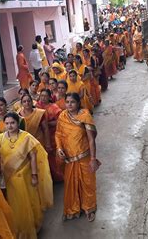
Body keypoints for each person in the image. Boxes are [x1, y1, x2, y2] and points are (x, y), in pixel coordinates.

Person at [0, 112, 53, 238]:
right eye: (7, 123)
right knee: (15, 205)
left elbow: (33, 156)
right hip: (9, 178)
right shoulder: (0, 138)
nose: (10, 126)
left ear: (18, 123)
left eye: (12, 123)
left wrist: (34, 175)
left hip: (25, 175)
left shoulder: (26, 137)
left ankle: (33, 225)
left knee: (29, 201)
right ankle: (20, 229)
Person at [56, 93, 100, 222]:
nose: (69, 105)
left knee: (87, 184)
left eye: (72, 102)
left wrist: (93, 158)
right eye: (67, 102)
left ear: (78, 103)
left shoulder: (84, 115)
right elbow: (58, 134)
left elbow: (91, 139)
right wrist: (59, 148)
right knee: (71, 183)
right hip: (69, 158)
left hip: (84, 156)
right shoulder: (62, 116)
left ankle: (89, 208)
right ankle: (73, 209)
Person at [36, 89, 64, 181]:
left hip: (52, 135)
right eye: (41, 96)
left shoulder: (54, 108)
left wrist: (47, 124)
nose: (43, 98)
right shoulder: (36, 106)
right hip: (40, 136)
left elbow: (60, 121)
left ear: (49, 97)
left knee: (53, 157)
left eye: (45, 96)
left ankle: (58, 176)